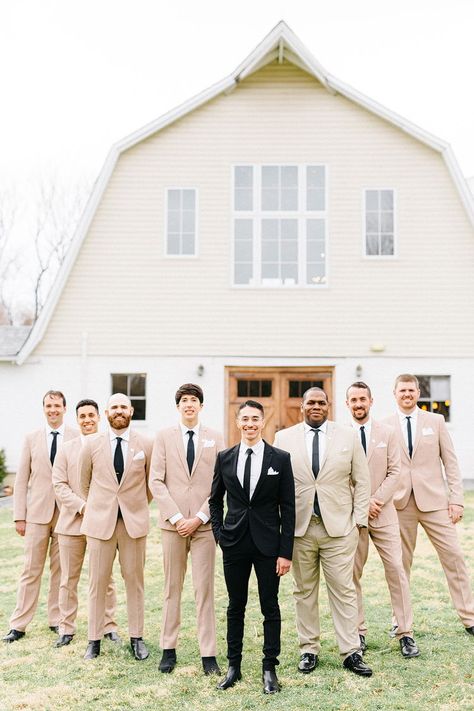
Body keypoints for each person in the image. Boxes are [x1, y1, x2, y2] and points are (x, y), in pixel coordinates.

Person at [274, 387, 373, 677]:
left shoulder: (348, 436)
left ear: (329, 406)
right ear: (302, 406)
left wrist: (359, 520)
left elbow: (362, 480)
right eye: (311, 403)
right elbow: (277, 485)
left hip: (340, 529)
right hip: (300, 529)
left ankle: (351, 651)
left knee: (343, 591)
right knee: (304, 591)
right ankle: (308, 649)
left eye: (321, 402)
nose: (316, 406)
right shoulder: (284, 438)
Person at [209, 400, 295, 694]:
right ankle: (234, 666)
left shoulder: (280, 459)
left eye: (255, 419)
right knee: (236, 606)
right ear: (237, 422)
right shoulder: (224, 457)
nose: (249, 424)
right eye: (244, 419)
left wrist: (286, 552)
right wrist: (219, 534)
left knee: (270, 606)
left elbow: (289, 508)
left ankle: (269, 668)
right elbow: (214, 500)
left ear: (263, 422)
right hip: (234, 544)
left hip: (269, 546)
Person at [384, 374, 474, 636]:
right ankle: (398, 620)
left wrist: (456, 499)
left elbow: (451, 462)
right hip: (400, 503)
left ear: (418, 393)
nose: (407, 394)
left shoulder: (435, 421)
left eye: (411, 390)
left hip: (434, 502)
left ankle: (469, 616)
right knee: (399, 565)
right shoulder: (386, 426)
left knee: (454, 557)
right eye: (402, 390)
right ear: (395, 393)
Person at [149, 383, 225, 675]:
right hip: (173, 526)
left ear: (201, 406)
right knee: (172, 588)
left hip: (204, 527)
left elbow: (221, 483)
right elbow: (156, 481)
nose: (189, 405)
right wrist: (177, 517)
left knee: (204, 590)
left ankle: (208, 654)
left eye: (194, 400)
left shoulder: (215, 438)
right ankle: (168, 649)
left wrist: (201, 517)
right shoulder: (164, 437)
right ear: (178, 406)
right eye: (184, 401)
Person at [346, 381, 419, 658]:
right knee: (351, 574)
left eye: (362, 399)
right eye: (353, 400)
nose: (358, 404)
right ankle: (358, 632)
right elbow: (339, 476)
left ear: (371, 401)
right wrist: (361, 505)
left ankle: (405, 633)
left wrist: (374, 500)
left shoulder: (388, 433)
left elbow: (395, 471)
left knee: (397, 572)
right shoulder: (341, 435)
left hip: (384, 512)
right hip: (355, 517)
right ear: (347, 404)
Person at [79, 393, 153, 660]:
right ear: (106, 412)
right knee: (97, 583)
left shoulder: (145, 443)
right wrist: (101, 506)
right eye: (114, 407)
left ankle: (137, 638)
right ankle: (94, 640)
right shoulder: (92, 444)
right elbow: (83, 483)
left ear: (131, 411)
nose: (119, 411)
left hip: (133, 524)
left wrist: (133, 506)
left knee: (135, 582)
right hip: (100, 524)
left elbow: (150, 485)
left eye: (123, 407)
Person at [3, 390, 79, 643]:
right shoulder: (31, 438)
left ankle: (56, 619)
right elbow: (22, 479)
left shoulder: (75, 437)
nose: (52, 410)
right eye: (48, 405)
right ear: (44, 409)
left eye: (57, 405)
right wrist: (19, 516)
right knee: (30, 569)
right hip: (36, 514)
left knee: (61, 570)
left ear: (64, 408)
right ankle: (19, 624)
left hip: (66, 515)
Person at [52, 398, 119, 648]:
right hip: (72, 523)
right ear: (77, 419)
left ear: (99, 417)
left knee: (105, 577)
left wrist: (100, 510)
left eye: (92, 415)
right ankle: (66, 628)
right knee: (68, 578)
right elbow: (59, 484)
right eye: (83, 416)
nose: (88, 420)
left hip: (102, 524)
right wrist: (83, 507)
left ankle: (109, 625)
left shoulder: (108, 446)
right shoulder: (66, 448)